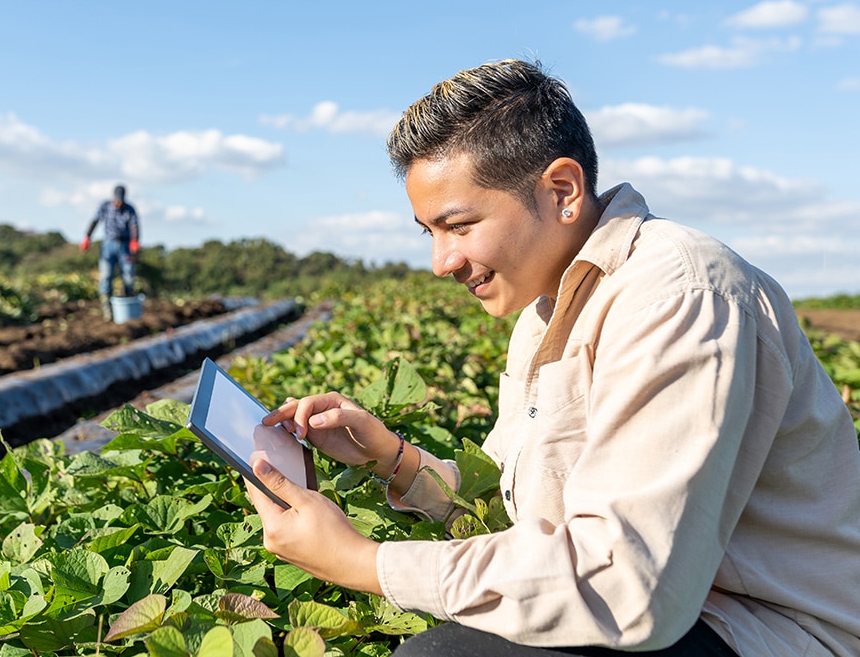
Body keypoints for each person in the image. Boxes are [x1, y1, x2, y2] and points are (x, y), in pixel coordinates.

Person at [244, 59, 860, 656]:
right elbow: (523, 520)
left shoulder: (678, 294)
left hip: (766, 630)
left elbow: (629, 588)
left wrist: (363, 562)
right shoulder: (545, 310)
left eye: (458, 225)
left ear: (562, 191)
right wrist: (394, 460)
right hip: (684, 613)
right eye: (427, 231)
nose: (441, 261)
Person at [80, 184, 140, 320]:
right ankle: (108, 312)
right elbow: (95, 220)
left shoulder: (129, 209)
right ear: (113, 197)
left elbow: (134, 225)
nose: (118, 203)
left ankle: (127, 310)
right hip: (108, 244)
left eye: (121, 201)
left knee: (129, 276)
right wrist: (87, 237)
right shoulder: (105, 206)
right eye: (116, 200)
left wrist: (135, 241)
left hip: (125, 246)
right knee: (106, 276)